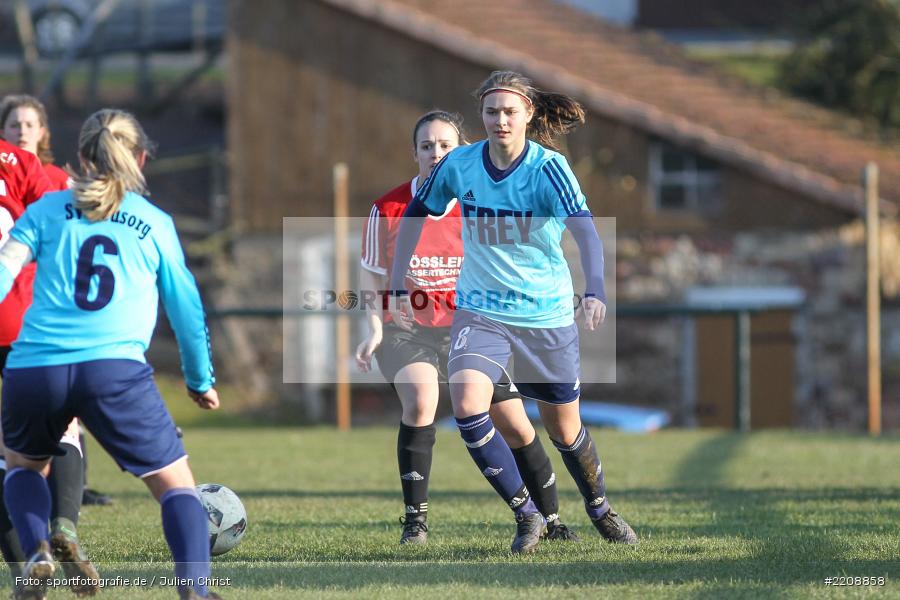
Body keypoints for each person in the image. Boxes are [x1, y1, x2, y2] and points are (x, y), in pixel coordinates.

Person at [389, 71, 637, 554]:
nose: (499, 120)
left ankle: (601, 508)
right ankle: (527, 514)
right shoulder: (459, 164)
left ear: (528, 115)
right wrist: (398, 284)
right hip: (481, 311)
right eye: (490, 112)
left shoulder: (549, 168)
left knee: (565, 431)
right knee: (466, 405)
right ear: (481, 116)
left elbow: (586, 232)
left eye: (509, 112)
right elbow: (417, 211)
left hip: (545, 317)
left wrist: (596, 290)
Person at [0, 108, 222, 600]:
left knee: (21, 466)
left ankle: (37, 551)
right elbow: (185, 305)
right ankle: (196, 591)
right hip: (114, 370)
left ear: (80, 158)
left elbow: (3, 271)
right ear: (140, 158)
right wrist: (199, 378)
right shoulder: (155, 222)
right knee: (177, 486)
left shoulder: (44, 210)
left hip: (35, 367)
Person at [357, 110, 577, 544]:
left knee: (516, 424)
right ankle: (415, 522)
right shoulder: (390, 207)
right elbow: (370, 272)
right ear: (414, 153)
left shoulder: (482, 205)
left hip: (471, 330)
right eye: (426, 146)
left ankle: (550, 522)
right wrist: (375, 327)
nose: (436, 154)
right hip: (407, 331)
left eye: (446, 146)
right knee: (422, 400)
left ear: (463, 151)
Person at [1, 95, 113, 510]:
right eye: (15, 124)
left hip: (26, 301)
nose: (22, 131)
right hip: (25, 308)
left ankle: (62, 497)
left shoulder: (46, 175)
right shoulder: (39, 178)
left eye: (30, 124)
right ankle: (60, 511)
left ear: (43, 131)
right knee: (56, 408)